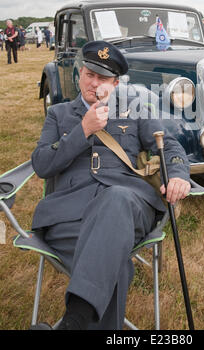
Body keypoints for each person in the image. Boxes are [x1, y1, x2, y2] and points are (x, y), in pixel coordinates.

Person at [30, 40, 191, 330]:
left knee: (115, 199)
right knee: (112, 260)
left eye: (103, 78)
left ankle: (73, 322)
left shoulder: (134, 110)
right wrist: (83, 130)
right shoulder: (60, 114)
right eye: (89, 74)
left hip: (128, 206)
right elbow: (42, 164)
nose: (94, 83)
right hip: (69, 215)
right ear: (79, 74)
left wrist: (178, 174)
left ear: (115, 84)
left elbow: (168, 146)